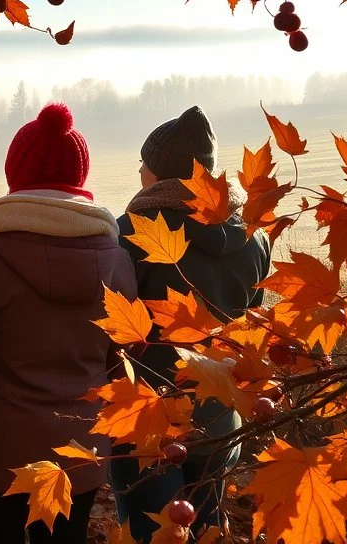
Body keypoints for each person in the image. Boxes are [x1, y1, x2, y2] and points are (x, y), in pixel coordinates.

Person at [0, 103, 136, 544]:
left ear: (15, 173)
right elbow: (120, 358)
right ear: (81, 177)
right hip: (78, 451)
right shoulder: (117, 261)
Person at [109, 105, 270, 541]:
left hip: (150, 420)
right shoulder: (256, 236)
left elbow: (112, 329)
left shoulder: (130, 233)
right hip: (221, 418)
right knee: (209, 527)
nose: (139, 172)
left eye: (144, 164)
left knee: (152, 532)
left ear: (156, 173)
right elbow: (254, 325)